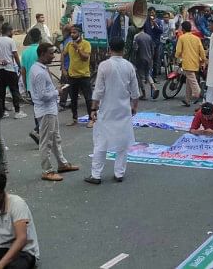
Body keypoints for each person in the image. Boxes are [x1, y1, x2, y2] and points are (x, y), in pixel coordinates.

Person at [86, 37, 139, 185]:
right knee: (123, 143)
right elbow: (135, 92)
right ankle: (119, 173)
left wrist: (93, 108)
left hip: (106, 110)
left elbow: (98, 90)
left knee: (101, 142)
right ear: (124, 49)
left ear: (109, 49)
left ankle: (96, 175)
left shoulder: (104, 66)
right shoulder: (129, 66)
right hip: (123, 110)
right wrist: (134, 107)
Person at [29, 43, 79, 182]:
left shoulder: (40, 68)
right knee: (46, 142)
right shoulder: (39, 72)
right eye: (51, 53)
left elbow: (44, 91)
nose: (53, 56)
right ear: (42, 54)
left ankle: (62, 164)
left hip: (50, 109)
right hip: (46, 111)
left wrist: (55, 89)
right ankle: (47, 170)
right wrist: (57, 92)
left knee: (56, 138)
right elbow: (42, 95)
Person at [0, 23, 26, 121]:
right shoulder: (10, 41)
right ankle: (17, 111)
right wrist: (19, 66)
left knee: (2, 91)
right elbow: (15, 55)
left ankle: (2, 112)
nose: (13, 33)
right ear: (9, 31)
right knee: (14, 90)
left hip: (0, 70)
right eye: (12, 31)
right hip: (10, 69)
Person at [62, 25, 93, 126]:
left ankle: (91, 119)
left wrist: (78, 49)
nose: (72, 34)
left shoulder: (86, 44)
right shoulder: (69, 44)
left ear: (80, 33)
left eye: (74, 32)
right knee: (73, 99)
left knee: (88, 98)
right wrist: (63, 68)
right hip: (72, 76)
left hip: (84, 76)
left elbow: (85, 57)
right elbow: (63, 54)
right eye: (71, 33)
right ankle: (74, 119)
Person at [174, 21, 205, 108]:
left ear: (183, 29)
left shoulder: (182, 38)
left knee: (193, 81)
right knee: (189, 81)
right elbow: (202, 51)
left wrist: (176, 58)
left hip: (187, 63)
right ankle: (187, 100)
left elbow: (178, 51)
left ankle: (201, 96)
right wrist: (203, 60)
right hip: (195, 62)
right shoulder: (196, 38)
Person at [132, 28, 157, 100]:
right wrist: (151, 57)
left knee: (141, 77)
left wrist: (133, 59)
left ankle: (144, 94)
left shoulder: (137, 37)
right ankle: (154, 88)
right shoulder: (149, 37)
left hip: (140, 59)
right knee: (148, 74)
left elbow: (135, 49)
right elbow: (153, 48)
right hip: (149, 59)